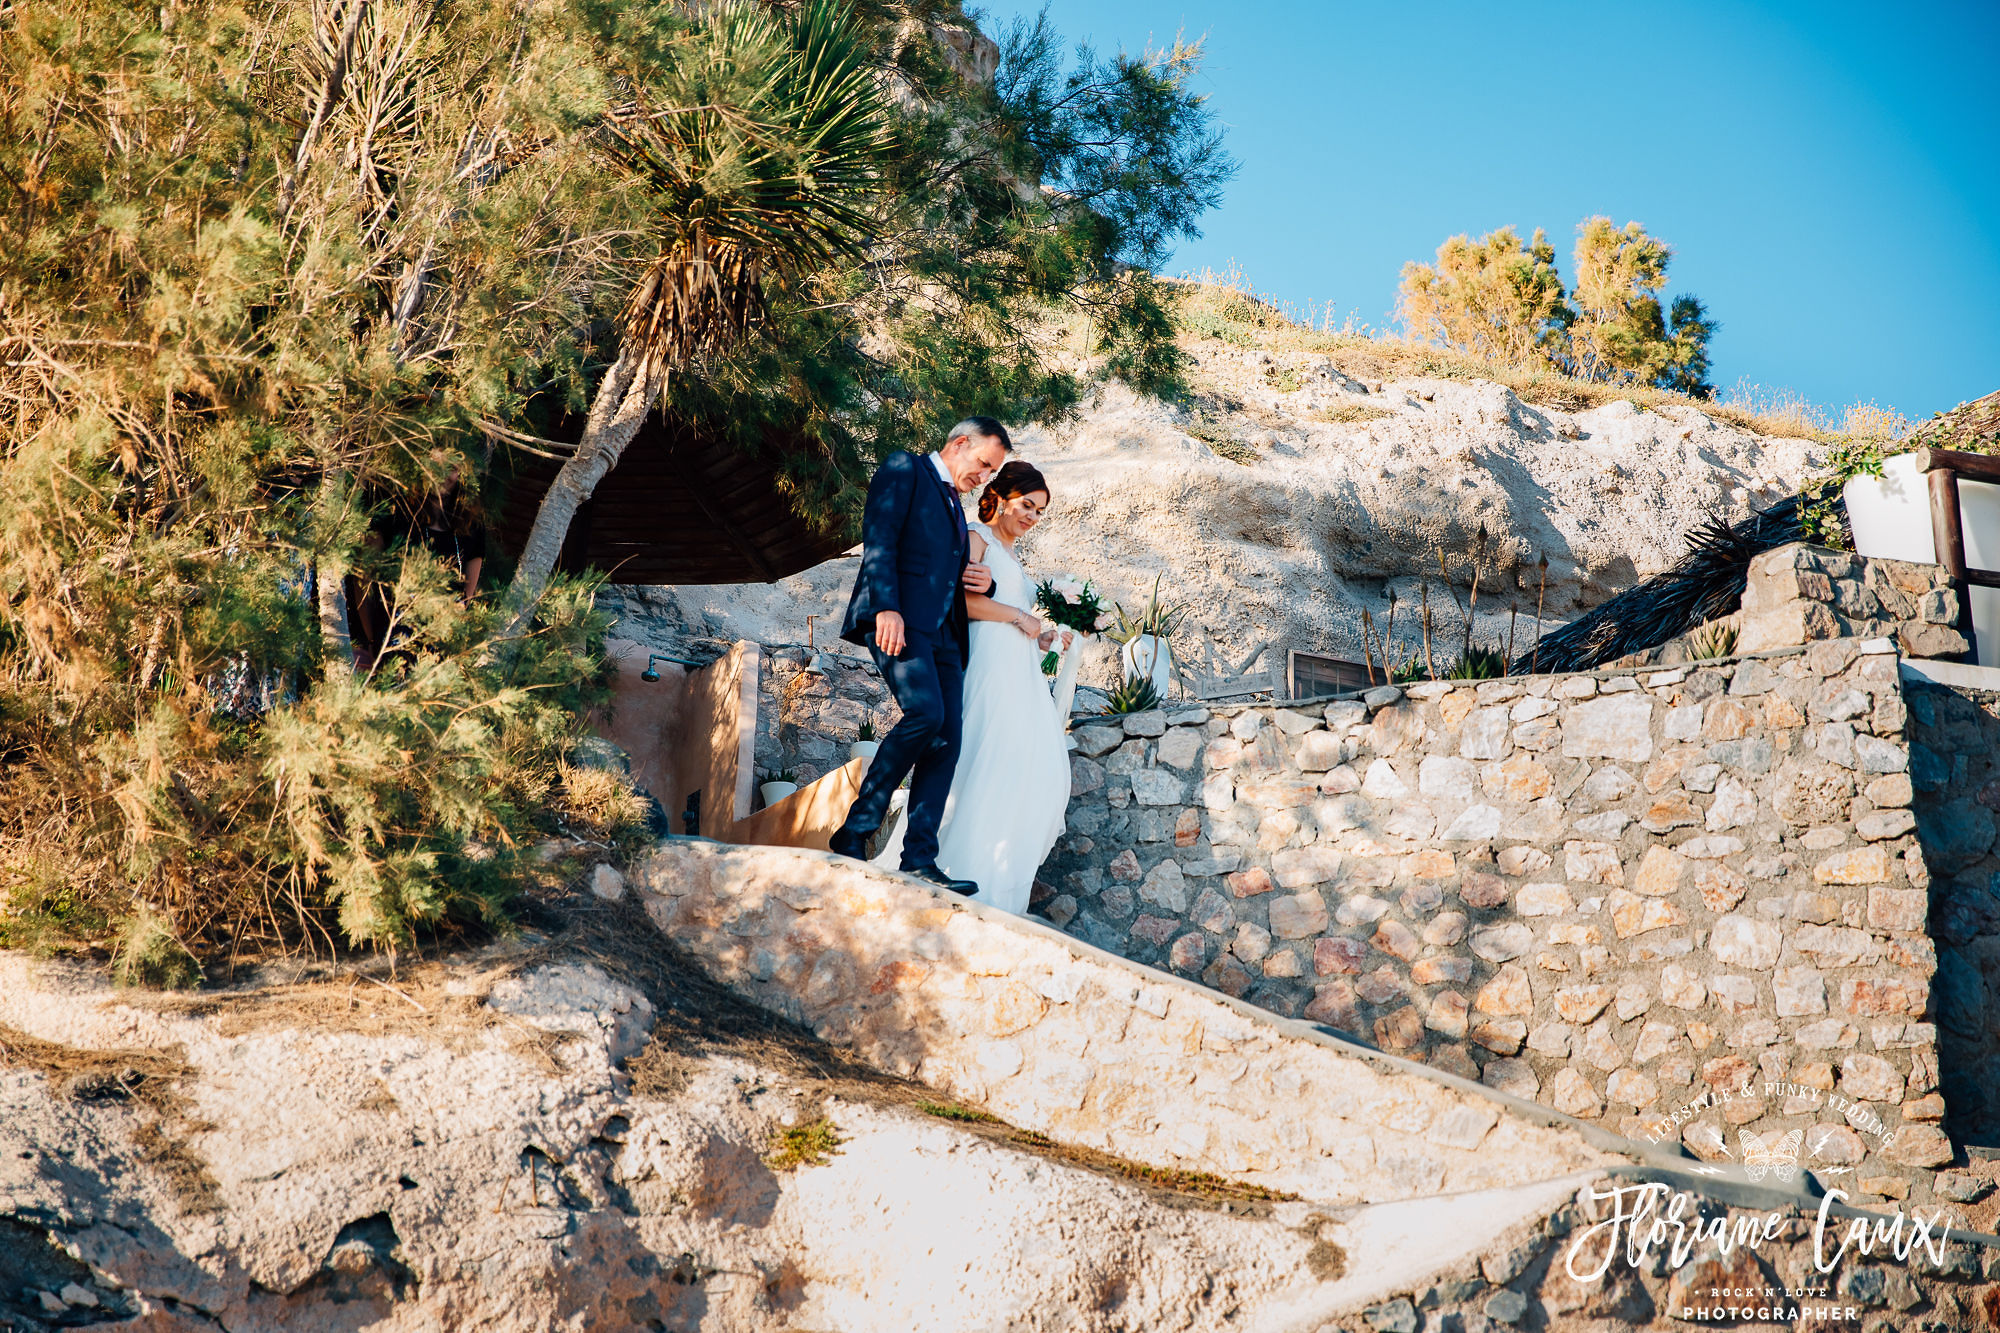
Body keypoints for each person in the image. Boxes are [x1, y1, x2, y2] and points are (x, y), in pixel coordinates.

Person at [872, 461, 1072, 914]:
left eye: (1039, 512)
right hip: (986, 669)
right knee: (982, 762)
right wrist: (1020, 617)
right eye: (1026, 505)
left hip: (1018, 673)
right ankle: (943, 863)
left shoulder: (1014, 556)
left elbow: (1008, 614)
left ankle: (996, 883)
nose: (1032, 518)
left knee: (1024, 774)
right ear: (999, 497)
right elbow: (959, 601)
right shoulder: (975, 537)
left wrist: (1040, 635)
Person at [828, 418, 1010, 894]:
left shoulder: (955, 504)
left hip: (947, 637)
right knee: (925, 714)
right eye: (984, 465)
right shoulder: (905, 467)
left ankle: (919, 859)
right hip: (901, 621)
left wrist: (985, 583)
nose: (985, 478)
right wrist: (886, 606)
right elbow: (881, 537)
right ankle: (857, 828)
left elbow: (950, 570)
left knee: (947, 740)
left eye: (993, 472)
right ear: (960, 444)